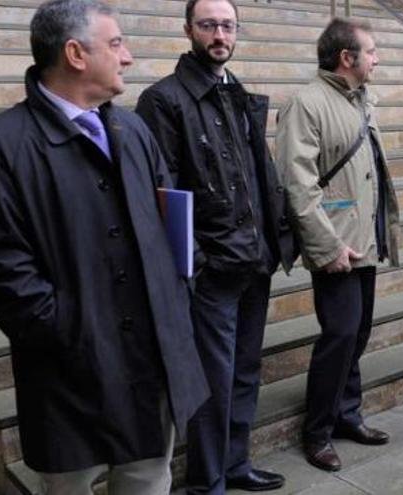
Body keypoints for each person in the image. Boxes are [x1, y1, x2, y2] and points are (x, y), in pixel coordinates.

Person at [0, 1, 209, 493]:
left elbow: (166, 222)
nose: (128, 57)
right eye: (116, 44)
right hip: (70, 376)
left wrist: (179, 291)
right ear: (75, 53)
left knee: (148, 479)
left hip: (150, 366)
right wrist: (70, 330)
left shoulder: (133, 129)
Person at [135, 0, 295, 492]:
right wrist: (198, 263)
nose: (219, 34)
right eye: (208, 25)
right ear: (188, 30)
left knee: (245, 370)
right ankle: (208, 480)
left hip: (254, 259)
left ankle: (236, 464)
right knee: (213, 381)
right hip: (212, 272)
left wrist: (276, 241)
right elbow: (158, 193)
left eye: (227, 25)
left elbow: (258, 175)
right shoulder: (163, 100)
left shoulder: (236, 91)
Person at [275, 17, 400, 472]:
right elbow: (297, 185)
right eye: (371, 51)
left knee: (358, 332)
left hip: (362, 239)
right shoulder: (306, 104)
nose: (377, 59)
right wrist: (326, 247)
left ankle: (348, 414)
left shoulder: (360, 99)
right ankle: (318, 431)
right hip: (335, 246)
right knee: (341, 334)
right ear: (347, 58)